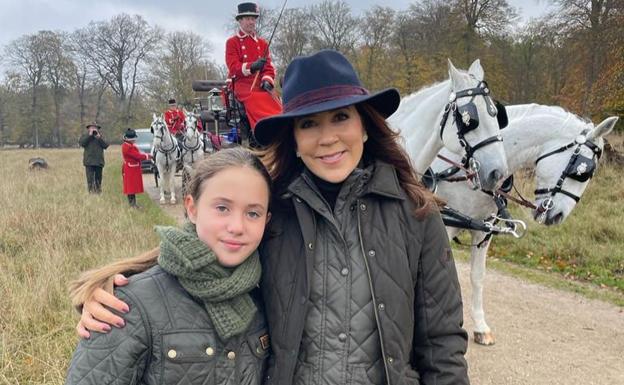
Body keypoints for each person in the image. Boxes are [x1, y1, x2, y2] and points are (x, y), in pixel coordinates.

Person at [72, 50, 470, 385]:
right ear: (293, 139)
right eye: (309, 123)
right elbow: (200, 260)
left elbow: (442, 345)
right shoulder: (272, 211)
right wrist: (114, 293)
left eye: (341, 117)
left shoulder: (417, 214)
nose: (328, 137)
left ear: (365, 125)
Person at [65, 148, 272, 385]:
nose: (237, 226)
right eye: (222, 208)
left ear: (266, 220)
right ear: (192, 209)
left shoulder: (267, 295)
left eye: (253, 213)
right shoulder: (128, 304)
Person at [225, 2, 282, 133]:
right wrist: (252, 66)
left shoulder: (262, 43)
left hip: (260, 84)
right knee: (255, 98)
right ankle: (263, 132)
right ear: (240, 20)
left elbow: (269, 67)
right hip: (242, 85)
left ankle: (281, 128)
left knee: (275, 98)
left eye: (253, 19)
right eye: (247, 19)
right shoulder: (232, 42)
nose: (251, 22)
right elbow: (233, 67)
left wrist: (267, 80)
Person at [121, 129, 152, 208]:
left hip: (132, 168)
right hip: (130, 168)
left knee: (132, 187)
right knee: (130, 188)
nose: (134, 140)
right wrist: (147, 156)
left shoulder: (129, 145)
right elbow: (137, 156)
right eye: (133, 138)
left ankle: (133, 204)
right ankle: (132, 205)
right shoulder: (127, 147)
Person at [78, 122, 109, 194]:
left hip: (99, 162)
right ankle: (91, 193)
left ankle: (98, 192)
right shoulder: (85, 136)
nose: (93, 129)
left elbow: (106, 145)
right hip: (89, 162)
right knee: (90, 180)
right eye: (92, 127)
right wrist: (89, 136)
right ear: (88, 129)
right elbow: (82, 143)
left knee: (98, 179)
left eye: (95, 128)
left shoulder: (100, 136)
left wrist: (99, 138)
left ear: (98, 129)